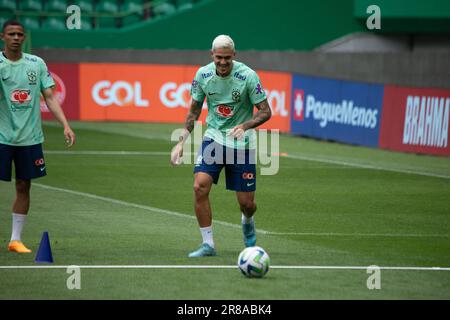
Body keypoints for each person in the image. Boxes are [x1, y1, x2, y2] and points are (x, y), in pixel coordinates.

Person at [171, 35, 272, 257]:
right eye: (219, 58)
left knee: (247, 203)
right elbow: (194, 110)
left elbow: (266, 111)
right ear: (212, 55)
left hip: (242, 143)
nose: (223, 62)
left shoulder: (247, 76)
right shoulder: (203, 75)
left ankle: (247, 220)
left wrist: (245, 126)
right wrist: (181, 143)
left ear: (234, 55)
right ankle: (208, 244)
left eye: (227, 58)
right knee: (200, 186)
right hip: (214, 137)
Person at [0, 20, 76, 253]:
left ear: (24, 37)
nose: (15, 37)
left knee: (24, 185)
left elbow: (50, 97)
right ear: (3, 36)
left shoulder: (36, 63)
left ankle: (15, 240)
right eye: (11, 34)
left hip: (30, 138)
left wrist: (65, 125)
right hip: (2, 137)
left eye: (19, 34)